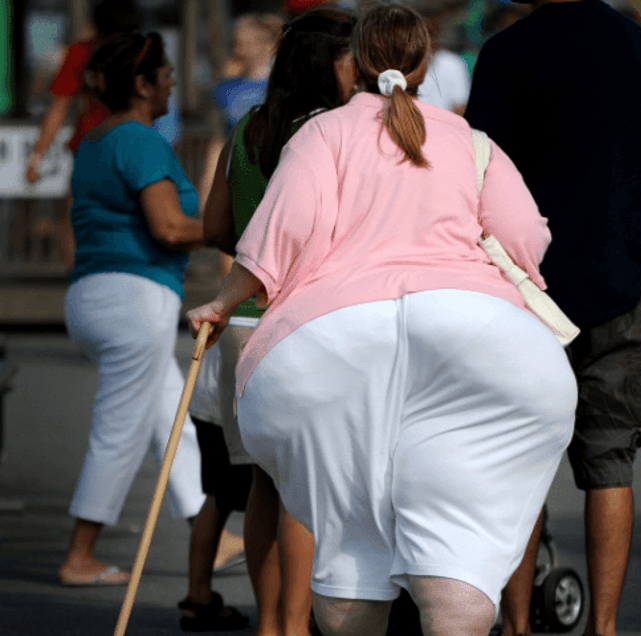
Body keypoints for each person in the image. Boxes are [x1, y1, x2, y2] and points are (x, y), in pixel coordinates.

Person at [188, 5, 577, 636]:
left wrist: (223, 302)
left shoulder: (322, 134)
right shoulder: (469, 139)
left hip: (335, 337)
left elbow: (278, 235)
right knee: (458, 555)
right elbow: (529, 237)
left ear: (357, 63)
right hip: (477, 332)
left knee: (349, 554)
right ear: (427, 63)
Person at [464, 1, 641, 634]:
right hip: (614, 282)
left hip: (526, 292)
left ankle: (516, 624)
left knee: (519, 462)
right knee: (611, 462)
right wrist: (637, 244)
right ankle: (604, 627)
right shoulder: (636, 44)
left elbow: (480, 169)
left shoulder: (507, 51)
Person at [202, 9, 358, 636]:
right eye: (355, 58)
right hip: (309, 324)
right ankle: (297, 624)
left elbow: (216, 228)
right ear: (330, 64)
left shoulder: (249, 127)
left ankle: (272, 624)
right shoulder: (336, 132)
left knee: (266, 483)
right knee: (308, 486)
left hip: (242, 323)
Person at [60, 31, 207, 587]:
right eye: (166, 75)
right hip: (133, 299)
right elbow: (169, 227)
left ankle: (205, 528)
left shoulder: (94, 139)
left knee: (174, 419)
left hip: (94, 295)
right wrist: (233, 231)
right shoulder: (142, 141)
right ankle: (80, 555)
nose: (172, 82)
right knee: (119, 431)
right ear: (144, 85)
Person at [24, 0, 142, 267]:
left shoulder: (139, 54)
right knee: (78, 210)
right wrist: (37, 154)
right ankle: (81, 272)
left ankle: (99, 271)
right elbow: (59, 106)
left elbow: (59, 108)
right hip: (99, 144)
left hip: (123, 145)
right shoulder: (83, 53)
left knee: (96, 211)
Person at [180, 341, 252, 631]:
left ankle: (198, 596)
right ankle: (291, 611)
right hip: (239, 394)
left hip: (209, 392)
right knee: (276, 500)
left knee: (218, 495)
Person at [197, 13, 284, 210]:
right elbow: (218, 141)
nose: (239, 48)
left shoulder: (282, 87)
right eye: (237, 42)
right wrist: (207, 190)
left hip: (274, 181)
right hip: (237, 182)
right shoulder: (225, 90)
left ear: (266, 44)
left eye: (247, 42)